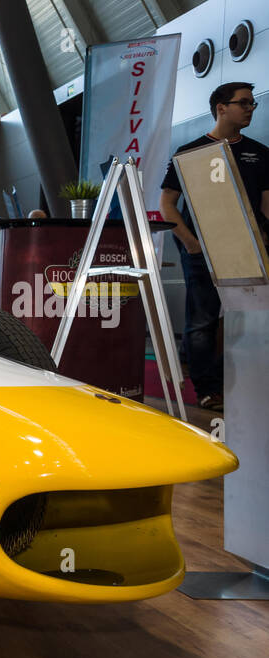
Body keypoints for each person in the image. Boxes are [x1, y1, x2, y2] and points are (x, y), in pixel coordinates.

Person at [159, 81, 269, 412]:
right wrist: (192, 245)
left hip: (249, 252)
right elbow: (167, 205)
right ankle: (207, 390)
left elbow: (266, 207)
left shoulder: (261, 154)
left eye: (252, 104)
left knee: (247, 320)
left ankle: (238, 383)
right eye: (244, 103)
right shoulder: (190, 152)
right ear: (221, 108)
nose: (250, 108)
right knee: (202, 322)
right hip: (202, 254)